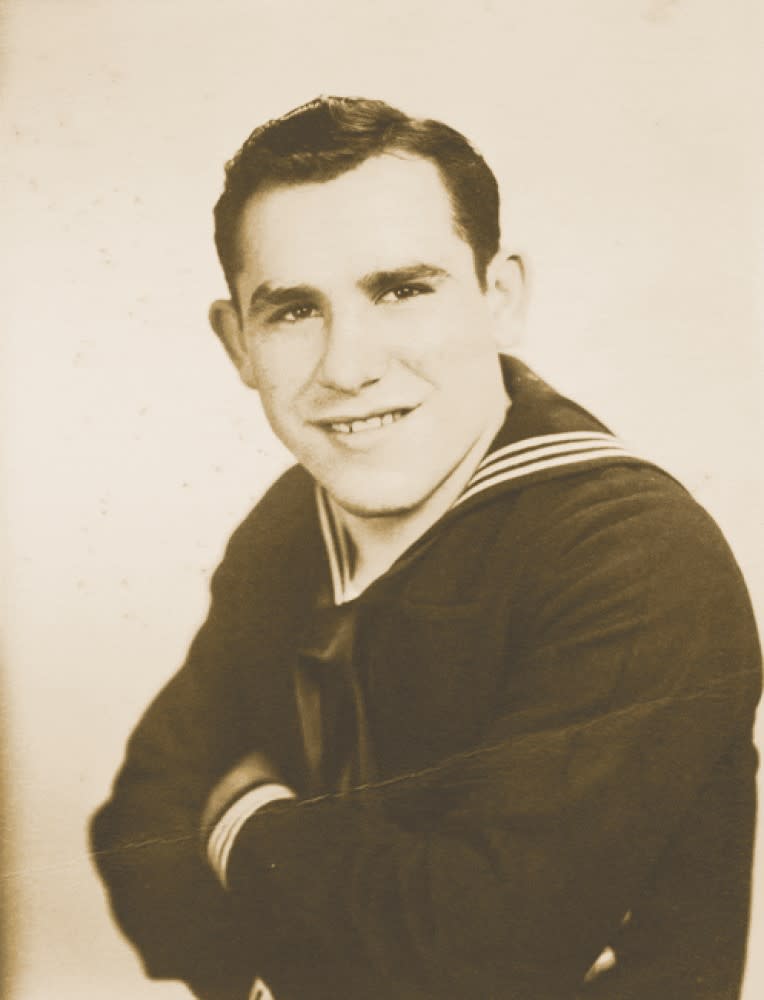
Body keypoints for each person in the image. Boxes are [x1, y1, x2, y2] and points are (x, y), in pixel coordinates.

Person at [90, 96, 761, 1000]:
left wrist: (242, 818)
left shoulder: (635, 557)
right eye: (292, 310)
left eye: (401, 289)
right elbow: (137, 824)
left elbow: (472, 961)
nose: (347, 366)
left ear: (500, 296)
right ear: (237, 342)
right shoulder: (293, 522)